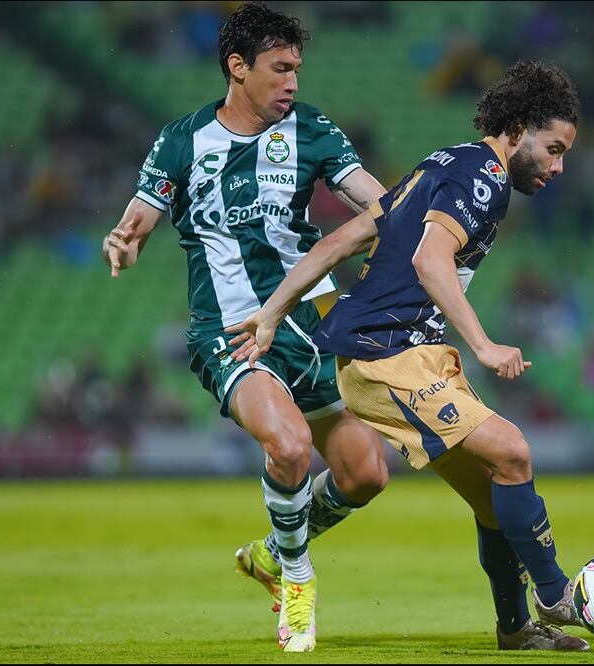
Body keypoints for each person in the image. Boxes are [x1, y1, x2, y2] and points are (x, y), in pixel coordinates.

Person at [227, 60, 591, 651]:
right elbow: (430, 260)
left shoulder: (441, 163)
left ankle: (516, 628)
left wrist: (271, 314)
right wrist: (484, 344)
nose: (558, 166)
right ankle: (554, 594)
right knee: (513, 451)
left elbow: (341, 240)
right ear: (518, 128)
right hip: (387, 354)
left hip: (400, 354)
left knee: (496, 493)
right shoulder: (483, 178)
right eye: (552, 149)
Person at [101, 3, 390, 653]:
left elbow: (374, 198)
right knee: (288, 447)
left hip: (312, 320)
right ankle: (295, 577)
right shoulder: (183, 140)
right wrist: (123, 242)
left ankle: (269, 551)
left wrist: (407, 221)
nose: (292, 82)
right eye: (279, 68)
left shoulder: (312, 131)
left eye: (297, 69)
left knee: (366, 474)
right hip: (230, 328)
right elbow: (138, 219)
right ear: (238, 67)